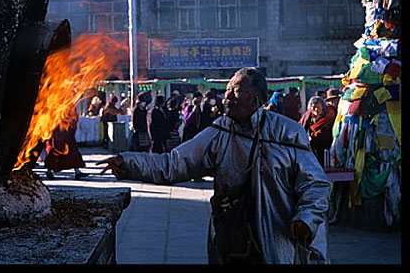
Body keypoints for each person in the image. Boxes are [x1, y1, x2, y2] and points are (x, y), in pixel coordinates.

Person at [97, 67, 331, 264]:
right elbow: (172, 164)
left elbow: (316, 184)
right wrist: (127, 161)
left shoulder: (286, 133)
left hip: (276, 236)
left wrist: (306, 218)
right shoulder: (218, 133)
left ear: (256, 100)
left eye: (235, 92)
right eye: (226, 91)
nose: (226, 97)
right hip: (231, 236)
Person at [44, 105, 88, 180]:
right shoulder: (57, 104)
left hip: (65, 132)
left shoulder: (67, 105)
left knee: (72, 152)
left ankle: (77, 172)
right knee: (55, 153)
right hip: (59, 133)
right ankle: (49, 171)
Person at [299, 96, 336, 167]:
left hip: (327, 144)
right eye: (313, 107)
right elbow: (301, 127)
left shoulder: (329, 114)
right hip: (314, 144)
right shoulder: (309, 115)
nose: (315, 109)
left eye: (318, 107)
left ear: (322, 107)